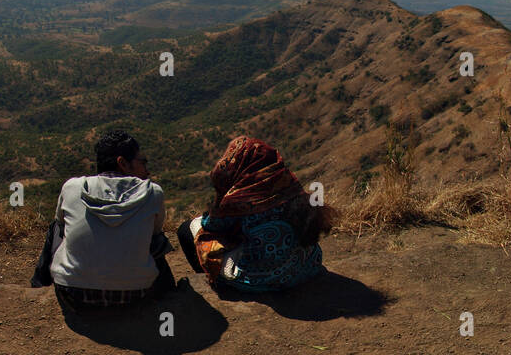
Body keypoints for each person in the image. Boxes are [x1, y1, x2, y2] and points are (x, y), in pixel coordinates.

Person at [31, 127, 178, 309]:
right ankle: (169, 293)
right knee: (156, 239)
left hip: (73, 294)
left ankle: (38, 284)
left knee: (57, 226)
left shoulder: (72, 187)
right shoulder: (153, 193)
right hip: (136, 296)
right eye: (143, 162)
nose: (146, 170)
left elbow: (61, 227)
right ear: (122, 163)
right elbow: (155, 238)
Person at [181, 135, 330, 295]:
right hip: (307, 265)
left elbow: (211, 226)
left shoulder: (239, 198)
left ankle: (214, 282)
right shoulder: (287, 182)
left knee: (188, 228)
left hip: (262, 279)